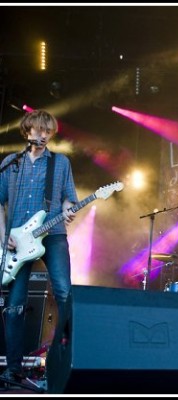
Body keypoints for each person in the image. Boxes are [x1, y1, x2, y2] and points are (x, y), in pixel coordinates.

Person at [0, 110, 78, 388]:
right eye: (39, 130)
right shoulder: (12, 163)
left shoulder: (60, 162)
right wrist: (2, 236)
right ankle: (13, 370)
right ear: (27, 130)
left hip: (53, 234)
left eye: (48, 131)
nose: (43, 135)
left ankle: (64, 360)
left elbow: (70, 199)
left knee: (65, 294)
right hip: (17, 241)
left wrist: (69, 210)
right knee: (14, 306)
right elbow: (0, 202)